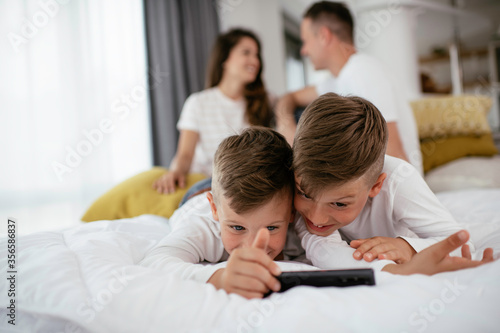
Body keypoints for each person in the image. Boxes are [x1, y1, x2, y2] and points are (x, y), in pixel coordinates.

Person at [140, 127, 493, 299]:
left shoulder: (301, 219)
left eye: (273, 227)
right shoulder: (206, 218)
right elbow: (157, 260)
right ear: (218, 214)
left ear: (290, 209)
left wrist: (397, 270)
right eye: (236, 227)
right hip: (198, 194)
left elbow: (332, 252)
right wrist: (214, 278)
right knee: (186, 195)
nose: (253, 244)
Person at [291, 92, 487, 270]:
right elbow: (326, 254)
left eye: (339, 203)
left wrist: (408, 248)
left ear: (376, 185)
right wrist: (398, 272)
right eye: (305, 194)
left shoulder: (399, 179)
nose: (316, 218)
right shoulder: (298, 182)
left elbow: (460, 244)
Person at [275, 1, 422, 173]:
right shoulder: (338, 79)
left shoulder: (363, 71)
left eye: (306, 41)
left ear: (324, 35)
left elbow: (394, 154)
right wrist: (286, 124)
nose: (303, 51)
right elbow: (290, 97)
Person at [154, 28, 273, 195]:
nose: (255, 60)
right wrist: (176, 171)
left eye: (257, 55)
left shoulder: (263, 103)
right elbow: (185, 154)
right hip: (206, 184)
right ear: (225, 59)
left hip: (245, 187)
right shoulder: (198, 103)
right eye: (246, 53)